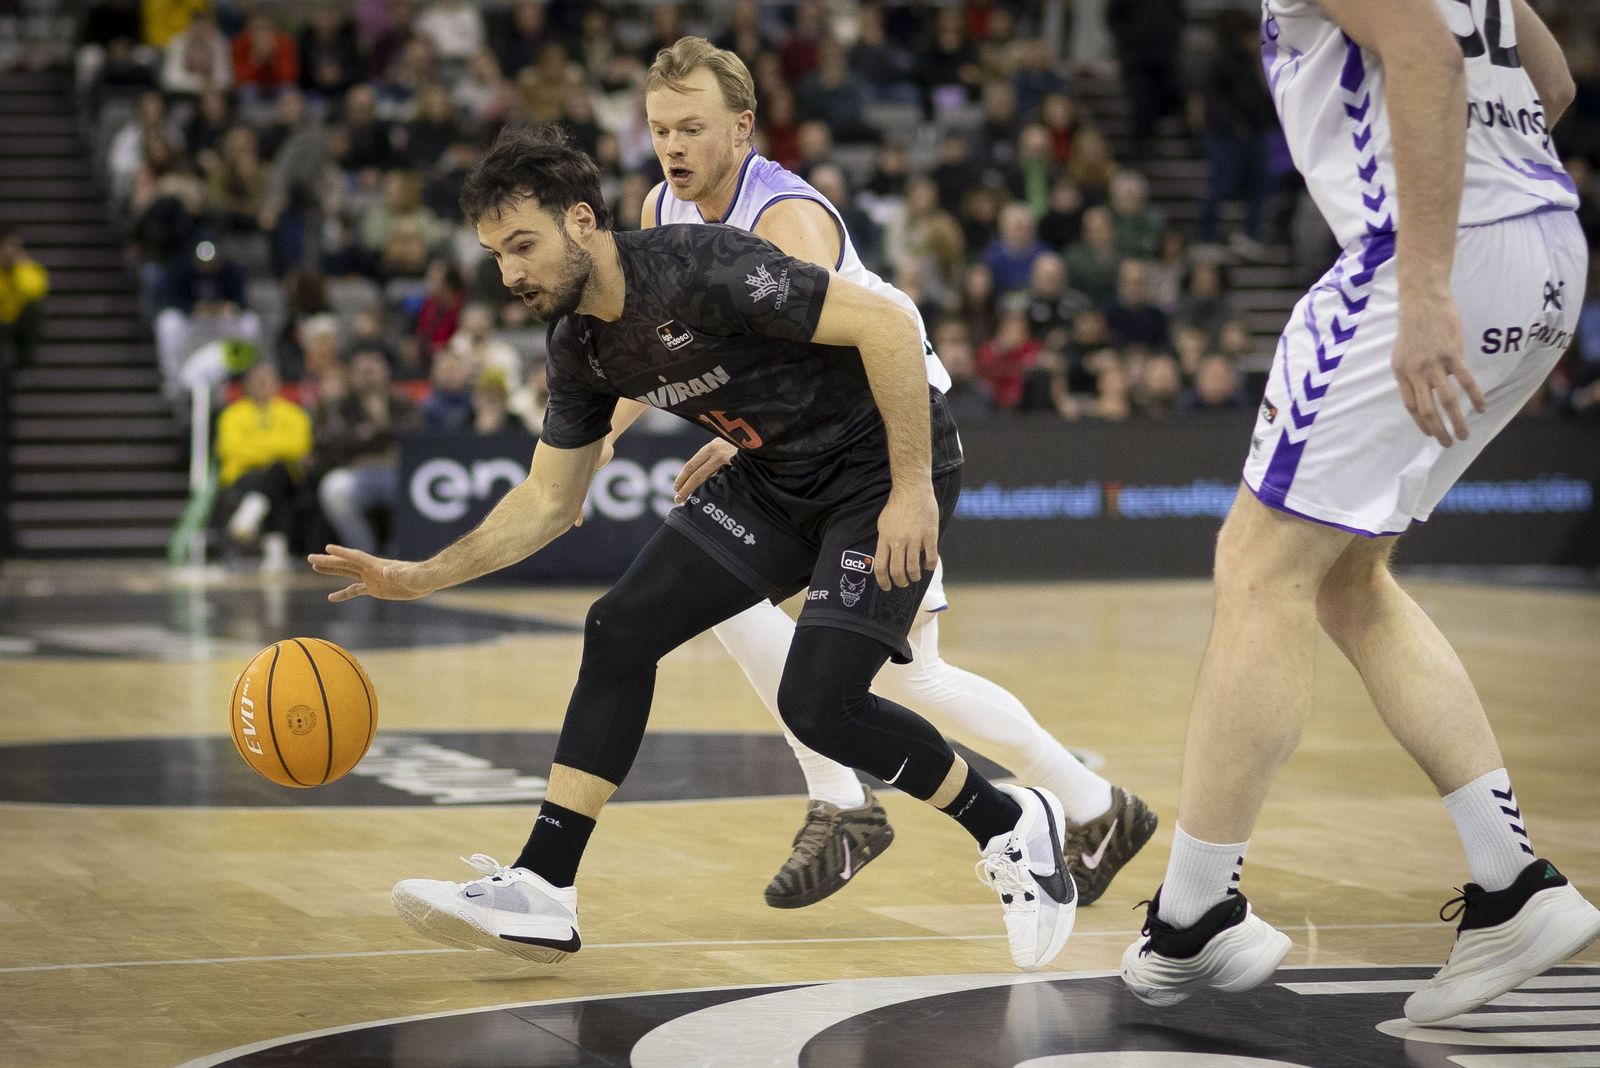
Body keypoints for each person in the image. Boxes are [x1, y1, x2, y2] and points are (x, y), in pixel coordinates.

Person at [310, 124, 1076, 973]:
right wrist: (420, 576)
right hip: (773, 479)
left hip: (873, 474)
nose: (510, 275)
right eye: (495, 256)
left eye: (522, 246)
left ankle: (1013, 824)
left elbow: (891, 326)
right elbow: (545, 501)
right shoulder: (580, 345)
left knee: (820, 704)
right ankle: (543, 887)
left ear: (583, 221)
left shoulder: (704, 267)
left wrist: (911, 489)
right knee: (619, 628)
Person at [1120, 0, 1600, 1022]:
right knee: (1345, 579)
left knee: (1258, 566)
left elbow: (1423, 50)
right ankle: (1511, 883)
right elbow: (1550, 83)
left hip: (1434, 260)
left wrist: (1428, 277)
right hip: (1547, 249)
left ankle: (1195, 911)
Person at [632, 37, 1153, 910]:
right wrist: (591, 445)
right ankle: (1083, 809)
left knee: (909, 675)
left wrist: (752, 435)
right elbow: (668, 348)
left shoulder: (788, 219)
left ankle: (1062, 808)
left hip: (884, 431)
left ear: (743, 128)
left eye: (691, 127)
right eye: (658, 129)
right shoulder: (661, 208)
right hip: (800, 445)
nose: (673, 146)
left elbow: (842, 353)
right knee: (750, 600)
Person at [215, 362, 312, 571]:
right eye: (257, 381)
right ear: (247, 385)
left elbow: (299, 447)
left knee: (277, 471)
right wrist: (275, 447)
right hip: (243, 476)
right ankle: (275, 551)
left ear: (277, 384)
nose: (262, 385)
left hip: (285, 477)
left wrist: (257, 447)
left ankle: (251, 512)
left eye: (266, 380)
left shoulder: (293, 413)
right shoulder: (232, 415)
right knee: (273, 478)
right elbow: (231, 449)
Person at [0, 228, 48, 368]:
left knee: (33, 309)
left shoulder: (29, 268)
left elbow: (34, 292)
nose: (10, 252)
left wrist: (18, 270)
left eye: (15, 247)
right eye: (6, 246)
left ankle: (24, 356)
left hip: (18, 325)